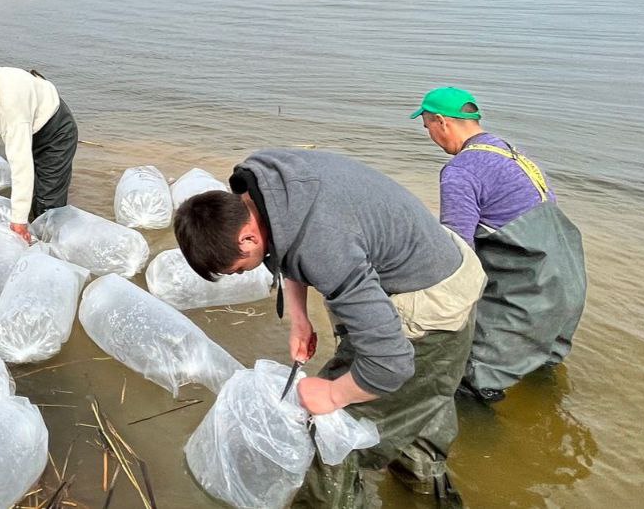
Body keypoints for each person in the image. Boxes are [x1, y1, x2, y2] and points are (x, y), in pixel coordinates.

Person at [175, 149, 486, 506]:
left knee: (334, 433)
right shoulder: (262, 184)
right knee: (413, 413)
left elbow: (391, 363)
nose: (245, 272)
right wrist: (299, 319)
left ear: (247, 238)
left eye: (241, 268)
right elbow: (286, 242)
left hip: (433, 308)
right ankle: (425, 494)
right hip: (425, 262)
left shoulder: (325, 247)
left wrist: (334, 396)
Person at [412, 86, 587, 403]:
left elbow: (457, 251)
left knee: (474, 384)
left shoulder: (461, 171)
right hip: (569, 289)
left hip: (529, 294)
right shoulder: (511, 152)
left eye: (428, 128)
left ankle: (487, 445)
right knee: (540, 373)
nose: (431, 137)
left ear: (441, 121)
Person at [0, 67, 78, 243]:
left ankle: (52, 248)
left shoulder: (11, 108)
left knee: (48, 198)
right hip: (31, 123)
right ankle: (34, 232)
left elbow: (21, 168)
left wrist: (18, 222)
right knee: (33, 192)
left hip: (55, 132)